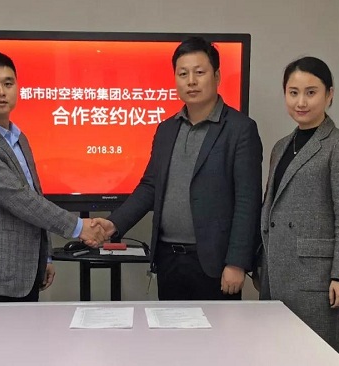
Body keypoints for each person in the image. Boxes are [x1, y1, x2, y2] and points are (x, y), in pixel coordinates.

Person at [98, 37, 263, 300]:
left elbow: (248, 200)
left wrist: (237, 262)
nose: (191, 81)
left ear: (217, 76)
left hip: (216, 264)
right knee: (170, 327)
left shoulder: (240, 129)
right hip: (168, 260)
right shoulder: (166, 129)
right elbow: (150, 187)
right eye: (183, 74)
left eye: (200, 72)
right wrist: (113, 223)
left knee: (217, 329)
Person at [0, 51, 106, 305]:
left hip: (25, 272)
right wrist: (79, 227)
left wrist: (45, 256)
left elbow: (35, 196)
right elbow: (19, 198)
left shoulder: (17, 137)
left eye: (8, 83)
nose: (0, 92)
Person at [259, 56, 339, 354]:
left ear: (329, 94)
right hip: (276, 268)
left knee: (314, 354)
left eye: (311, 92)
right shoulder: (281, 146)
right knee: (275, 353)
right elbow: (271, 208)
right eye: (293, 92)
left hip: (315, 277)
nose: (301, 102)